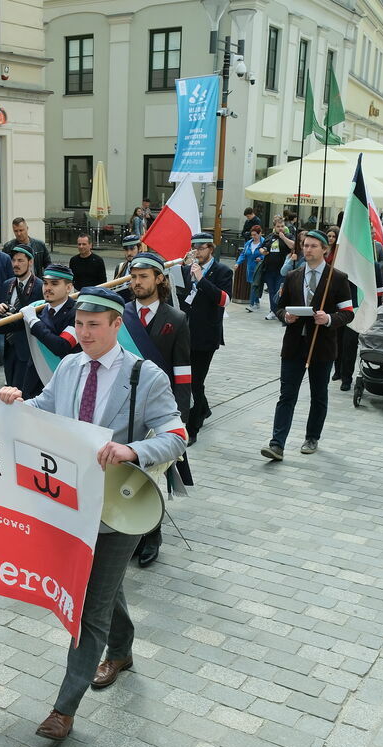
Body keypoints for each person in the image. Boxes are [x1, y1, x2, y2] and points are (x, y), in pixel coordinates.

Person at [0, 287, 187, 741]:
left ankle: (64, 708)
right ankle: (121, 650)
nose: (83, 333)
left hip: (120, 508)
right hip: (70, 500)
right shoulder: (69, 366)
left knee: (88, 604)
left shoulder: (146, 375)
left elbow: (177, 435)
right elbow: (46, 409)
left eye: (93, 325)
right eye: (79, 325)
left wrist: (133, 449)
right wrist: (15, 401)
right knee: (103, 586)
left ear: (116, 325)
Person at [122, 251, 192, 566]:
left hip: (159, 412)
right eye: (133, 277)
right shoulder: (120, 316)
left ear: (159, 279)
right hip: (123, 409)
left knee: (153, 477)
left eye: (143, 277)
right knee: (125, 476)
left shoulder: (176, 319)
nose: (136, 283)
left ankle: (153, 535)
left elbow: (183, 375)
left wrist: (180, 419)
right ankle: (129, 533)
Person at [260, 230, 354, 460]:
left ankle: (312, 437)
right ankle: (277, 443)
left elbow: (348, 313)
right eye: (305, 245)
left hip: (322, 346)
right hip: (294, 344)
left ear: (325, 250)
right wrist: (285, 316)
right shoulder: (293, 275)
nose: (307, 249)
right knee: (287, 395)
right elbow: (280, 307)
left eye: (313, 246)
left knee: (318, 394)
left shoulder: (338, 278)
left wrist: (329, 319)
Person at [180, 232, 231, 443]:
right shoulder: (185, 270)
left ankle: (192, 429)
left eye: (201, 248)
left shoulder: (222, 271)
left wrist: (201, 279)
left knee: (195, 382)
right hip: (184, 333)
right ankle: (203, 409)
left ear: (211, 249)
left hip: (206, 336)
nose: (197, 252)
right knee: (185, 379)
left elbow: (223, 300)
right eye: (194, 248)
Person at [16, 263, 81, 398]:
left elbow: (61, 346)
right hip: (35, 379)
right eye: (45, 283)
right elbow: (11, 324)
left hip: (62, 380)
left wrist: (34, 322)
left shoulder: (77, 314)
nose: (48, 288)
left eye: (54, 284)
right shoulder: (38, 308)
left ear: (69, 288)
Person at [0, 243, 44, 391]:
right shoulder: (7, 284)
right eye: (14, 260)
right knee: (10, 386)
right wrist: (0, 308)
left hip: (29, 349)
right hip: (9, 347)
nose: (16, 264)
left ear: (30, 262)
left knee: (24, 391)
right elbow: (5, 308)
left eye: (20, 260)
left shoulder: (39, 287)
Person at [253, 217, 292, 317]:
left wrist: (283, 237)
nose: (280, 228)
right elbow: (261, 247)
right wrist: (262, 251)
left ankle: (279, 311)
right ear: (274, 227)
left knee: (279, 291)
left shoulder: (289, 236)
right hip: (269, 269)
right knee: (271, 290)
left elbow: (293, 246)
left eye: (282, 226)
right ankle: (273, 310)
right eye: (278, 226)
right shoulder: (270, 236)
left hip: (282, 270)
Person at [237, 226, 266, 310]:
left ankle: (252, 304)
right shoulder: (248, 243)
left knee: (254, 285)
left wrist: (261, 258)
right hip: (250, 268)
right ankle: (256, 302)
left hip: (259, 268)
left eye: (255, 235)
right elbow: (243, 254)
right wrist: (238, 263)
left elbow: (267, 253)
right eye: (252, 235)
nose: (253, 237)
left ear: (260, 233)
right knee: (253, 285)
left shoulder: (264, 242)